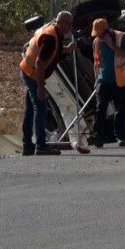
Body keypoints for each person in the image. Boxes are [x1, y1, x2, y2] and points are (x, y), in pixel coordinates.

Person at [18, 11, 83, 156]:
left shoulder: (53, 31)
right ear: (59, 22)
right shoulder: (51, 38)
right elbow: (40, 63)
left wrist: (66, 50)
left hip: (27, 71)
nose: (69, 27)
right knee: (40, 107)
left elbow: (51, 52)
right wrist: (41, 87)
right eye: (67, 23)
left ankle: (27, 145)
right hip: (33, 74)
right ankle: (40, 145)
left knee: (30, 110)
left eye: (71, 24)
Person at [91, 18, 125, 148]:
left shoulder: (121, 37)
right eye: (96, 33)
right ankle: (98, 138)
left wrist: (112, 46)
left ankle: (120, 137)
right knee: (100, 109)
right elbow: (96, 61)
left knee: (121, 110)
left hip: (120, 80)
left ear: (107, 30)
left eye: (100, 33)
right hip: (103, 80)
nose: (98, 36)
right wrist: (96, 79)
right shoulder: (96, 41)